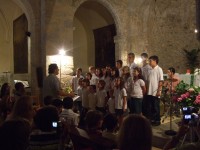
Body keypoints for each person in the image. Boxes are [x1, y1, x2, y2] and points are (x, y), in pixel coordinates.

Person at [146, 55, 164, 126]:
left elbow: (161, 81)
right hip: (149, 91)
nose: (149, 62)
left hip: (155, 91)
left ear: (155, 61)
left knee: (156, 107)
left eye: (150, 61)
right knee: (151, 106)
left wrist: (159, 91)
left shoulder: (159, 69)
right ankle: (152, 119)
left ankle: (157, 120)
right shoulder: (150, 69)